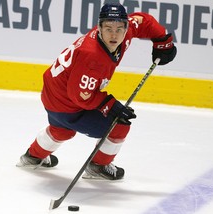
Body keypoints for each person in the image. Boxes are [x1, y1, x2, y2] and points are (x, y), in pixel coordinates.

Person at [16, 3, 177, 180]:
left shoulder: (124, 31)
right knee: (119, 124)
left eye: (119, 28)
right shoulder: (92, 57)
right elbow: (80, 96)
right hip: (66, 100)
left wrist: (163, 41)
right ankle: (98, 166)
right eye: (108, 29)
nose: (114, 35)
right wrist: (110, 105)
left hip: (53, 92)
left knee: (62, 129)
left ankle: (32, 157)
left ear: (127, 27)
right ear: (99, 27)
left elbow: (145, 21)